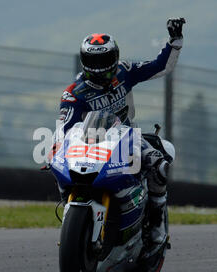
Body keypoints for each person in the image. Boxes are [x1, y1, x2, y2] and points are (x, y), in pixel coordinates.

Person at [53, 18, 185, 245]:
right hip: (89, 145)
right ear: (84, 61)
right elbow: (64, 130)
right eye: (93, 60)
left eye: (104, 59)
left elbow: (160, 66)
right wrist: (56, 152)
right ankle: (71, 212)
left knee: (159, 165)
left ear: (114, 57)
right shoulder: (75, 93)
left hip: (126, 136)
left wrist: (175, 42)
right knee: (61, 169)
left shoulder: (125, 72)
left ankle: (156, 224)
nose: (99, 65)